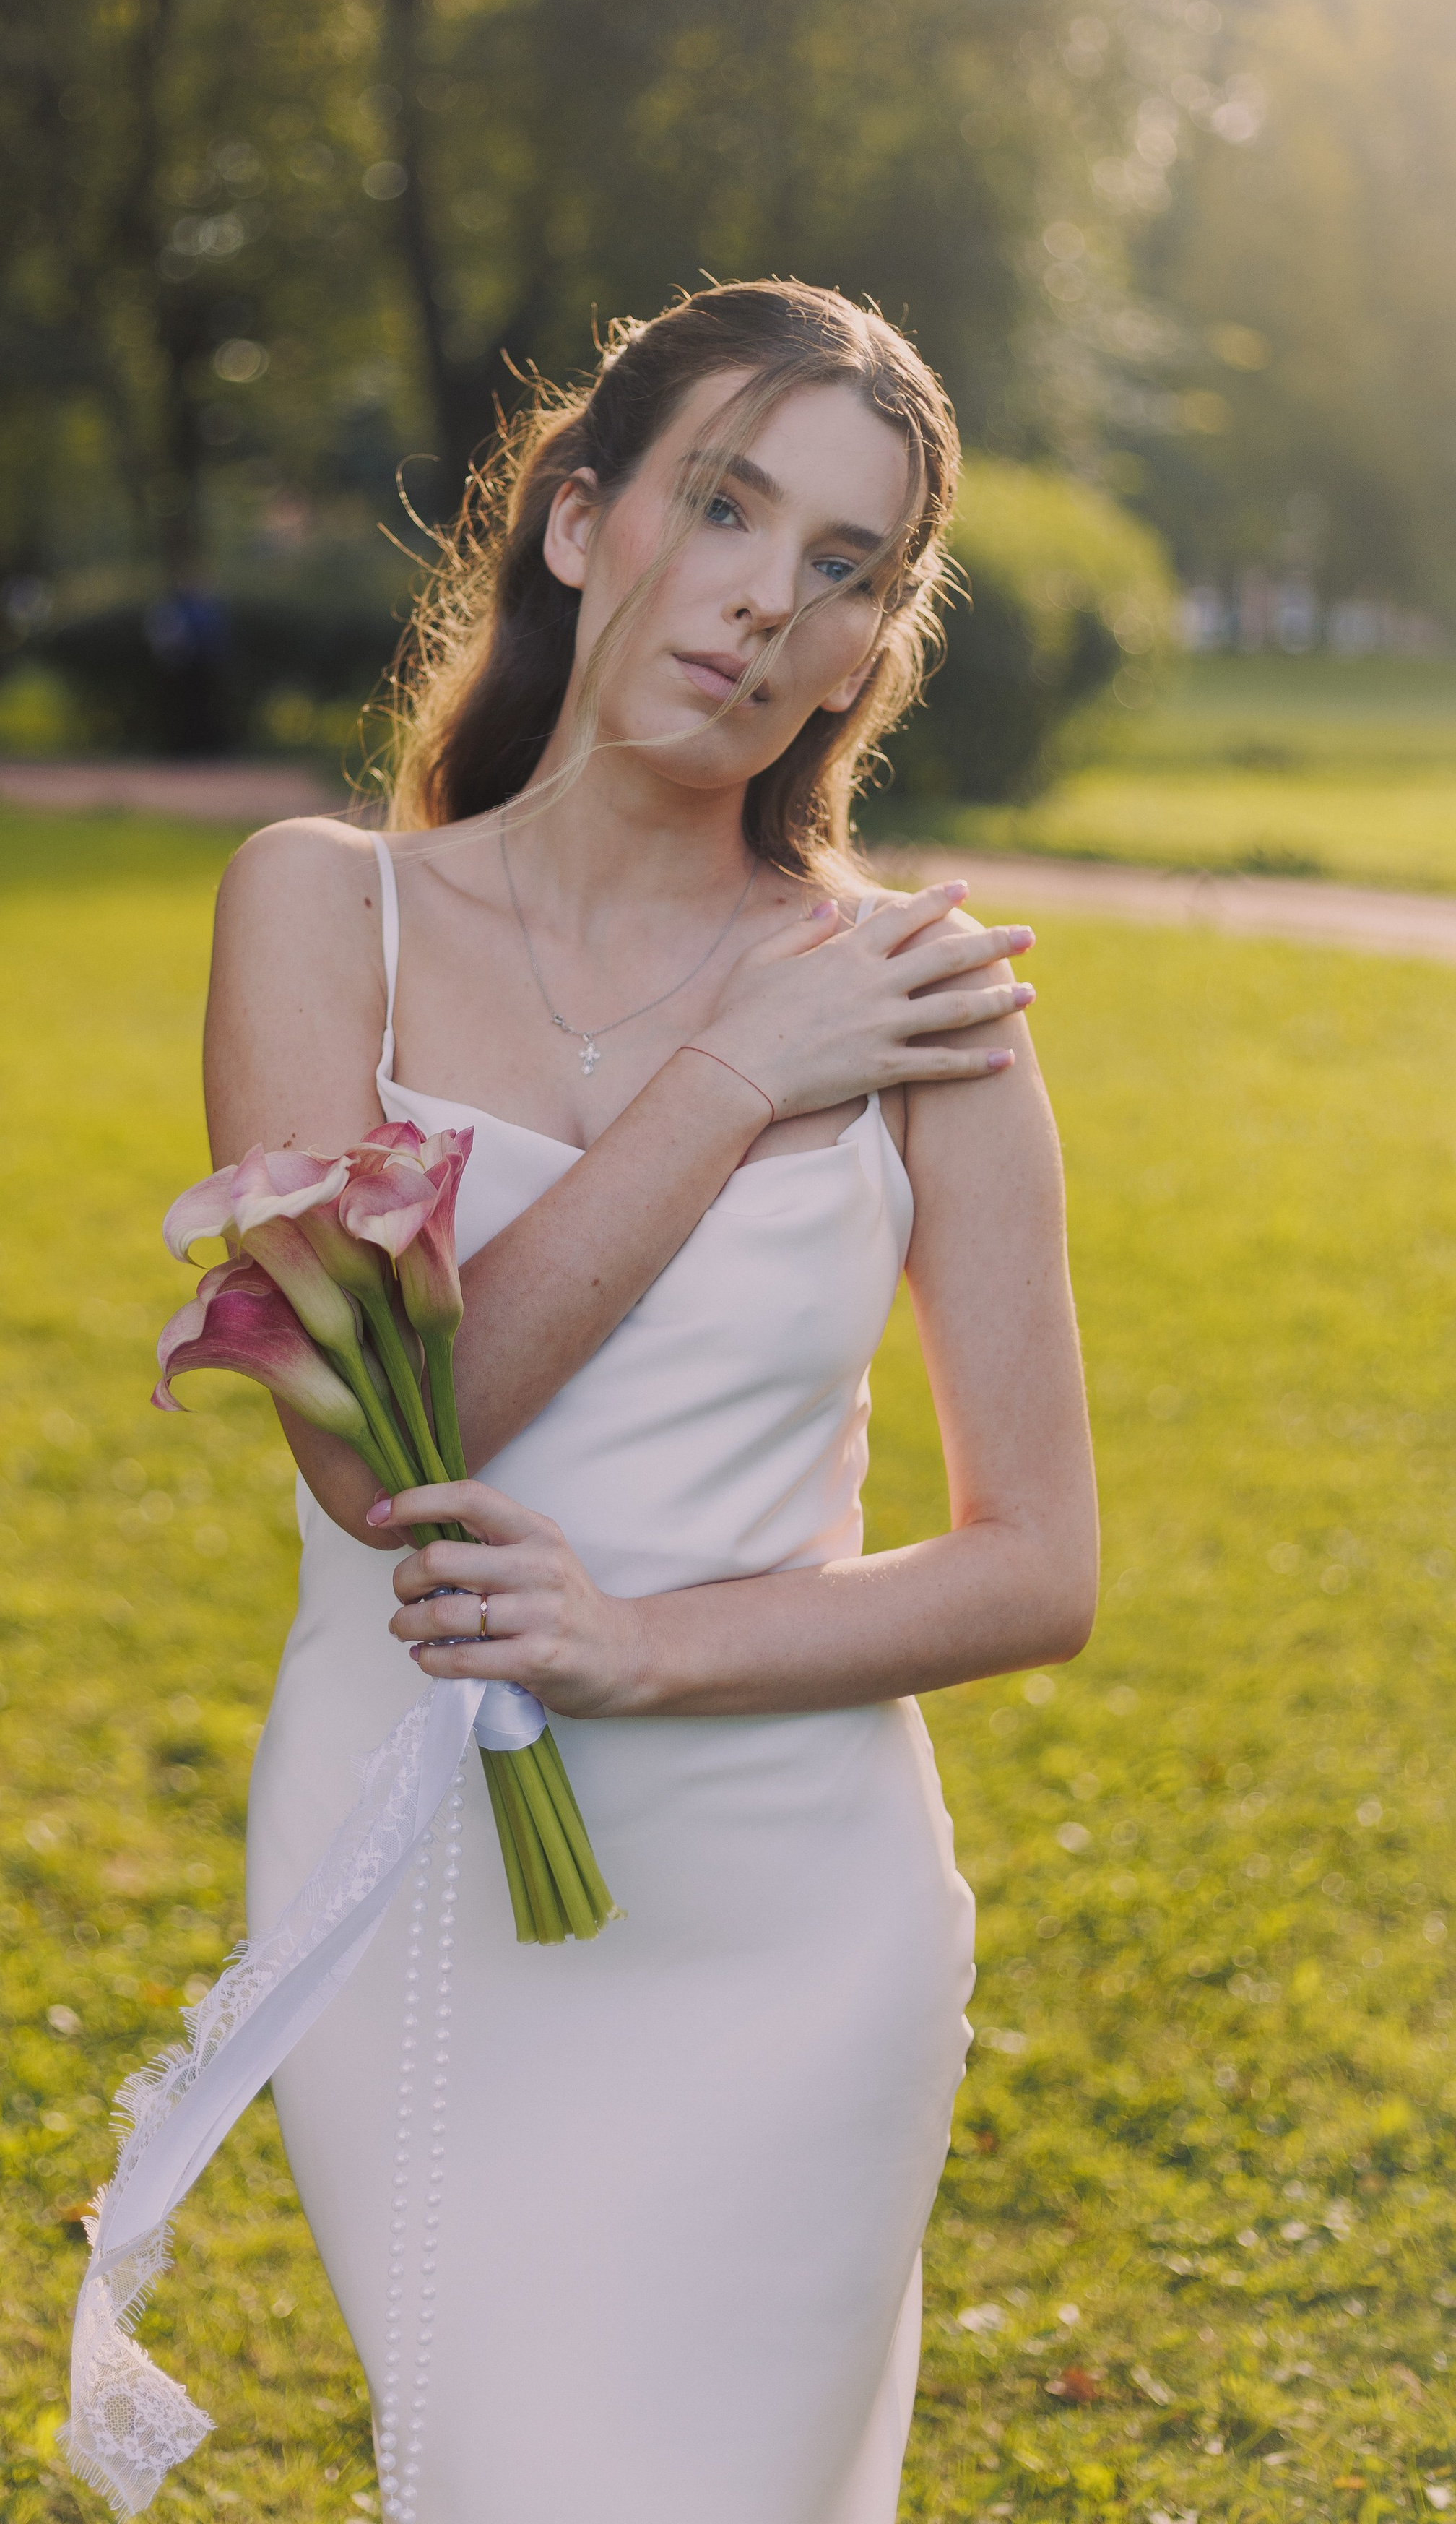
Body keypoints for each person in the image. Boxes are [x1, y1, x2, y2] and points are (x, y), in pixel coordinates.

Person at [205, 280, 1098, 2524]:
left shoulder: (917, 1004)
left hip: (801, 1929)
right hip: (415, 1879)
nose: (767, 600)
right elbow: (364, 1454)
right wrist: (727, 1087)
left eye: (846, 569)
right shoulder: (327, 917)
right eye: (726, 504)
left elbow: (1038, 1568)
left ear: (867, 652)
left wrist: (642, 1648)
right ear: (581, 523)